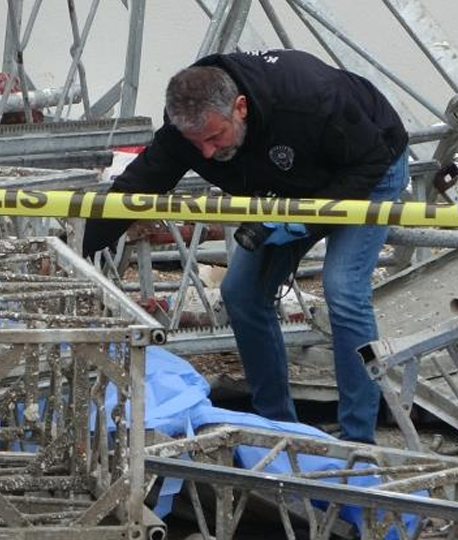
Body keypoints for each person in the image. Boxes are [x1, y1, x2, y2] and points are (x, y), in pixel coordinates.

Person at [82, 49, 410, 444]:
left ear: (240, 108)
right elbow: (134, 190)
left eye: (214, 137)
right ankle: (277, 427)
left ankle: (359, 439)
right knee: (241, 293)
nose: (206, 152)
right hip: (290, 185)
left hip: (370, 167)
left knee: (343, 289)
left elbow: (370, 159)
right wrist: (79, 247)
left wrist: (304, 221)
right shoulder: (190, 129)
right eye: (195, 142)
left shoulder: (310, 99)